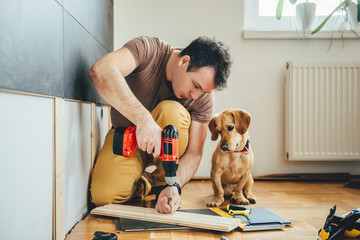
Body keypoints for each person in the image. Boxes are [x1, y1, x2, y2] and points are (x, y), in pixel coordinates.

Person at [89, 35, 232, 214]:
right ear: (184, 62)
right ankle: (144, 182)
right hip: (127, 137)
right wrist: (144, 120)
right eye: (195, 85)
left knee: (172, 111)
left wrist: (176, 185)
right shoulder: (148, 50)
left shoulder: (202, 98)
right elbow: (101, 70)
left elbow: (194, 153)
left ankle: (162, 184)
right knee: (104, 197)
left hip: (167, 157)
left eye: (202, 91)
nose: (195, 96)